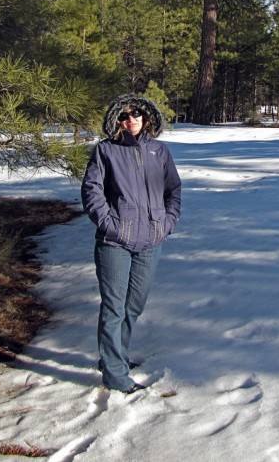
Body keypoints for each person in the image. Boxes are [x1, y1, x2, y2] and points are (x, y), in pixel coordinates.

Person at [81, 95, 182, 393]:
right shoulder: (106, 151)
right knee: (114, 308)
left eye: (136, 113)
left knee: (133, 306)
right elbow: (92, 191)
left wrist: (165, 223)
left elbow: (173, 190)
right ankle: (115, 374)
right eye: (124, 116)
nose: (131, 119)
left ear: (146, 116)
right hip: (115, 243)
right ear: (117, 121)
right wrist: (111, 226)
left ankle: (116, 357)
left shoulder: (159, 151)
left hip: (151, 241)